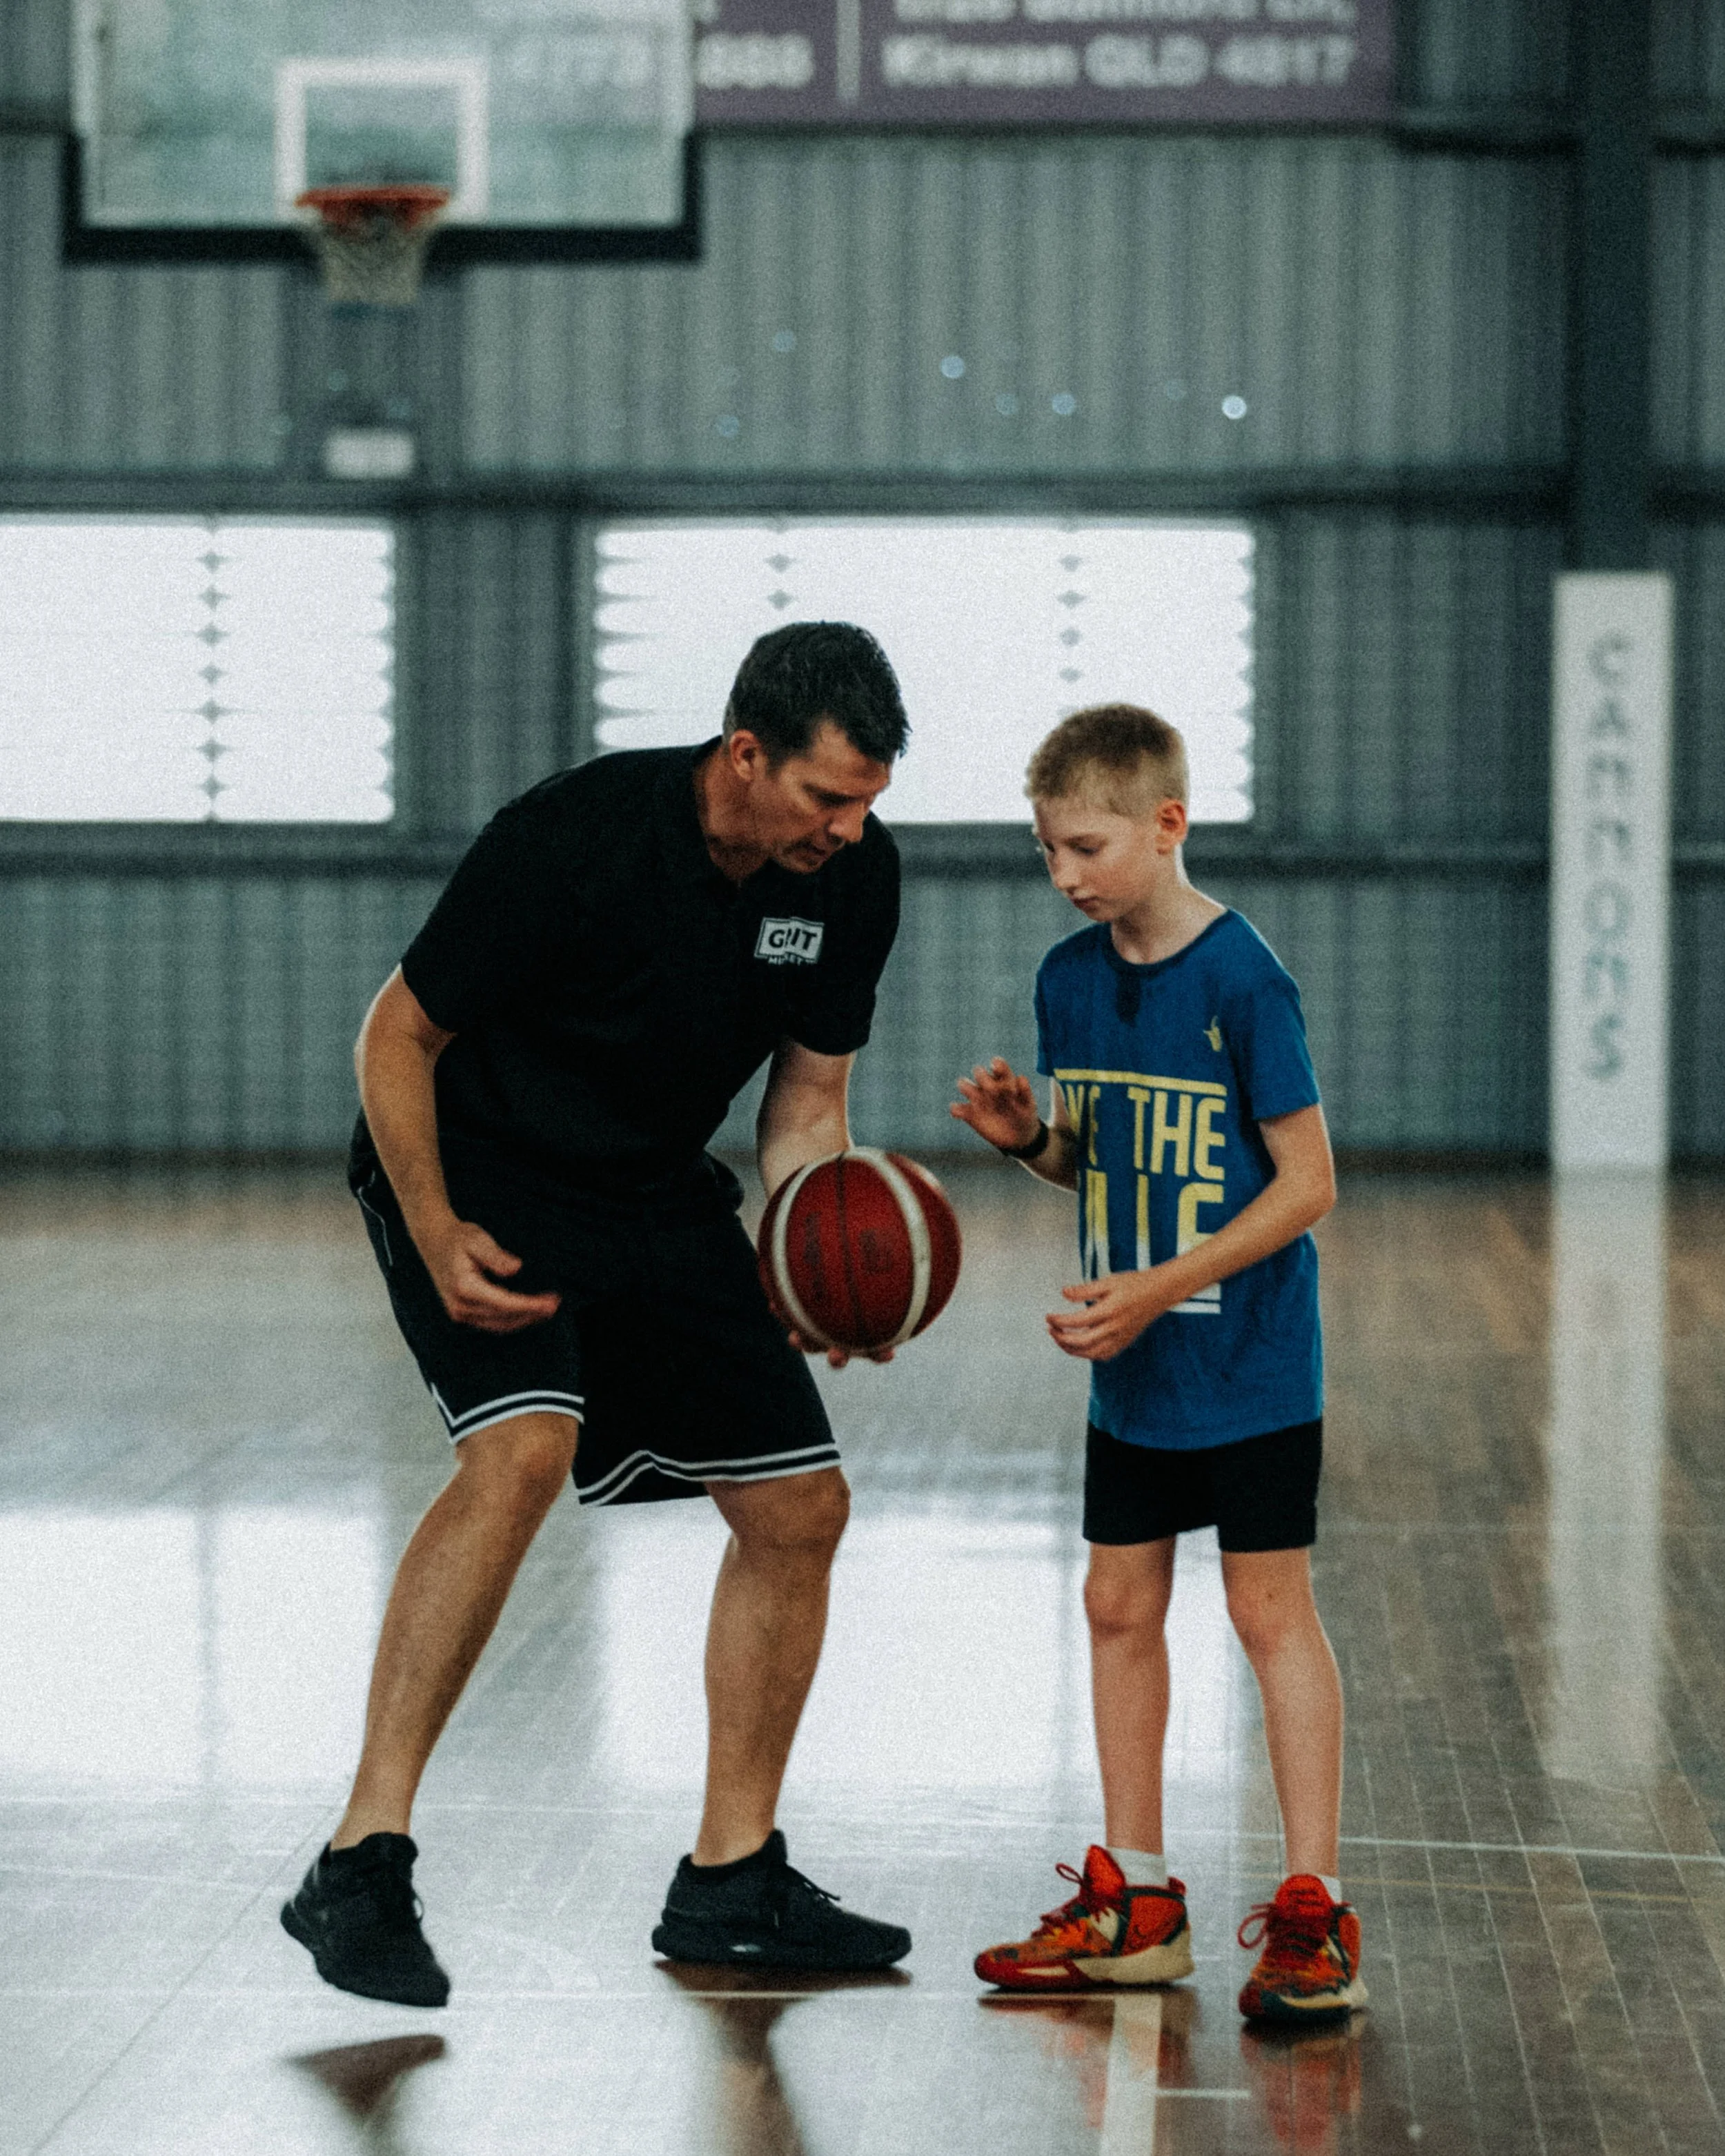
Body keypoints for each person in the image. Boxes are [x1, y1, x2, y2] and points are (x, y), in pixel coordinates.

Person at [282, 622, 915, 2006]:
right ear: (744, 753)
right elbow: (397, 1032)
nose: (847, 826)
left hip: (647, 1188)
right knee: (520, 1448)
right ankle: (360, 1860)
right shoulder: (571, 838)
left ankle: (730, 1881)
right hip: (478, 1160)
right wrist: (435, 1223)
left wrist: (813, 1252)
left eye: (868, 799)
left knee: (799, 1504)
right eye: (824, 796)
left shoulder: (850, 881)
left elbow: (804, 1110)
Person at [950, 704, 1363, 2024]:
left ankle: (1312, 1911)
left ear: (1167, 824)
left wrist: (1164, 1290)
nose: (1065, 873)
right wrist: (1030, 1141)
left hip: (1246, 1362)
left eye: (1085, 844)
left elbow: (1309, 1184)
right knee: (1117, 1611)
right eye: (1047, 851)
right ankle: (1138, 1899)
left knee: (1265, 1616)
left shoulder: (1247, 979)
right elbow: (1105, 1153)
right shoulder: (1068, 980)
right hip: (1133, 1368)